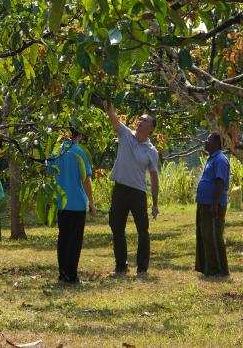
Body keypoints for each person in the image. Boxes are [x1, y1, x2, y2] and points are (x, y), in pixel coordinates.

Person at [102, 101, 159, 275]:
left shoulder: (152, 151)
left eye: (145, 120)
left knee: (143, 230)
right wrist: (109, 103)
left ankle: (142, 268)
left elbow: (154, 178)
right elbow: (113, 117)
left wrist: (155, 203)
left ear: (151, 128)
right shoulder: (125, 134)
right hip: (120, 190)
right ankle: (121, 266)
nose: (140, 122)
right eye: (140, 119)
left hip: (138, 193)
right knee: (117, 227)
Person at [46, 127, 96, 283]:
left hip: (61, 202)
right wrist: (92, 203)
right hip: (77, 203)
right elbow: (86, 180)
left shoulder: (56, 152)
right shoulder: (79, 152)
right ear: (78, 135)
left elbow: (49, 171)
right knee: (75, 240)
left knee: (63, 238)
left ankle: (63, 273)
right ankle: (71, 274)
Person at [195, 132, 230, 276]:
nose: (206, 142)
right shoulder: (212, 159)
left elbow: (221, 182)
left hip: (213, 205)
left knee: (214, 237)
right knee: (206, 235)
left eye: (208, 140)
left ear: (216, 143)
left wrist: (215, 204)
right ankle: (208, 268)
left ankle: (220, 270)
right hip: (204, 203)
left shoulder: (220, 159)